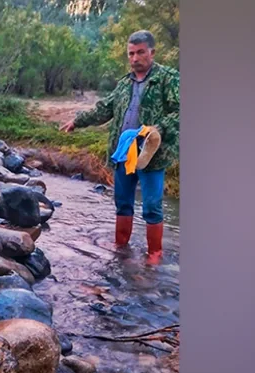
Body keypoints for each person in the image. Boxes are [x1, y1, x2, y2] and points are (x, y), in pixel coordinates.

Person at [60, 30, 179, 264]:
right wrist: (78, 121)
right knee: (122, 203)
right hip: (124, 153)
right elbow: (105, 108)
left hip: (151, 154)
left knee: (152, 206)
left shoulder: (169, 78)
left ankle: (154, 255)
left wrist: (158, 129)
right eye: (131, 54)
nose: (135, 58)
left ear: (152, 53)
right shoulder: (125, 83)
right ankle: (121, 249)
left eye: (141, 52)